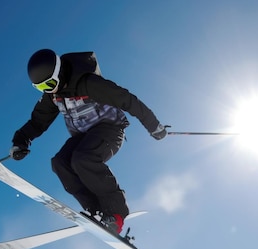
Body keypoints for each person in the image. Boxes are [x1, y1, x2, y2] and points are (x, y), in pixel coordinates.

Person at [10, 49, 167, 234]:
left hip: (110, 130)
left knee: (82, 159)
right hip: (83, 137)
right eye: (41, 88)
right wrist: (21, 141)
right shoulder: (53, 95)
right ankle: (96, 211)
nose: (49, 90)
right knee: (60, 162)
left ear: (59, 72)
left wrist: (153, 125)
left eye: (50, 84)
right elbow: (38, 120)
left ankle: (116, 213)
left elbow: (126, 99)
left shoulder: (88, 83)